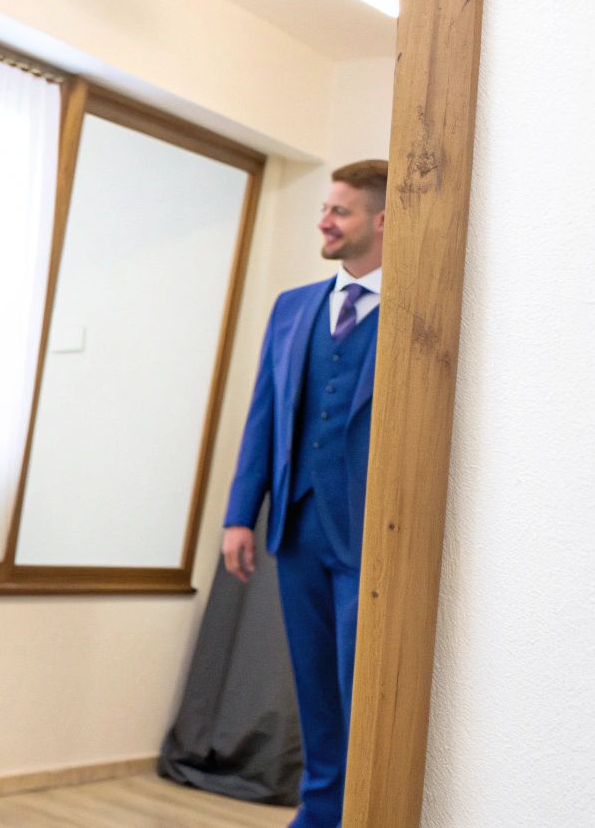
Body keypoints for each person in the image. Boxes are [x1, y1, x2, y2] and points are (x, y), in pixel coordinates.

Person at [221, 159, 387, 828]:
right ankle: (319, 814)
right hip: (297, 531)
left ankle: (367, 812)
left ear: (382, 220)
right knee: (315, 687)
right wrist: (240, 516)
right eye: (325, 208)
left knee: (360, 690)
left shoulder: (413, 314)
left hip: (369, 536)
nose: (324, 220)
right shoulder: (293, 309)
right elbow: (263, 413)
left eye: (340, 211)